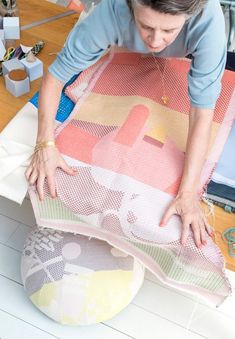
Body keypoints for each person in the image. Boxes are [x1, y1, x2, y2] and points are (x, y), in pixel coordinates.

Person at [25, 0, 227, 249]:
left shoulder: (209, 19)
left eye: (169, 31)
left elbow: (201, 113)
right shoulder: (110, 10)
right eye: (146, 26)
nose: (154, 41)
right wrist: (44, 143)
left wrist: (188, 193)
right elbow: (56, 78)